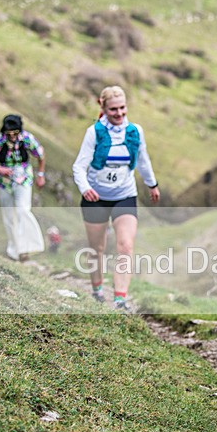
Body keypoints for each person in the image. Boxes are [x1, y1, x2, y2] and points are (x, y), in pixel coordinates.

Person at [72, 85, 160, 309]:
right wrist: (84, 188)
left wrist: (152, 184)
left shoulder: (135, 131)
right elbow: (79, 167)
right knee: (97, 248)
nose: (119, 113)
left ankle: (120, 299)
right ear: (103, 108)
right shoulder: (94, 132)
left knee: (125, 246)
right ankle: (97, 289)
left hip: (125, 194)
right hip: (95, 197)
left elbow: (143, 160)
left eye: (122, 108)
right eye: (113, 109)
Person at [0, 114, 46, 262]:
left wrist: (41, 175)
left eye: (15, 133)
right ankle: (14, 252)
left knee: (23, 210)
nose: (12, 136)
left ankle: (28, 247)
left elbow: (40, 154)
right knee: (9, 217)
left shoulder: (27, 138)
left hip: (24, 180)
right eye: (9, 134)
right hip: (3, 182)